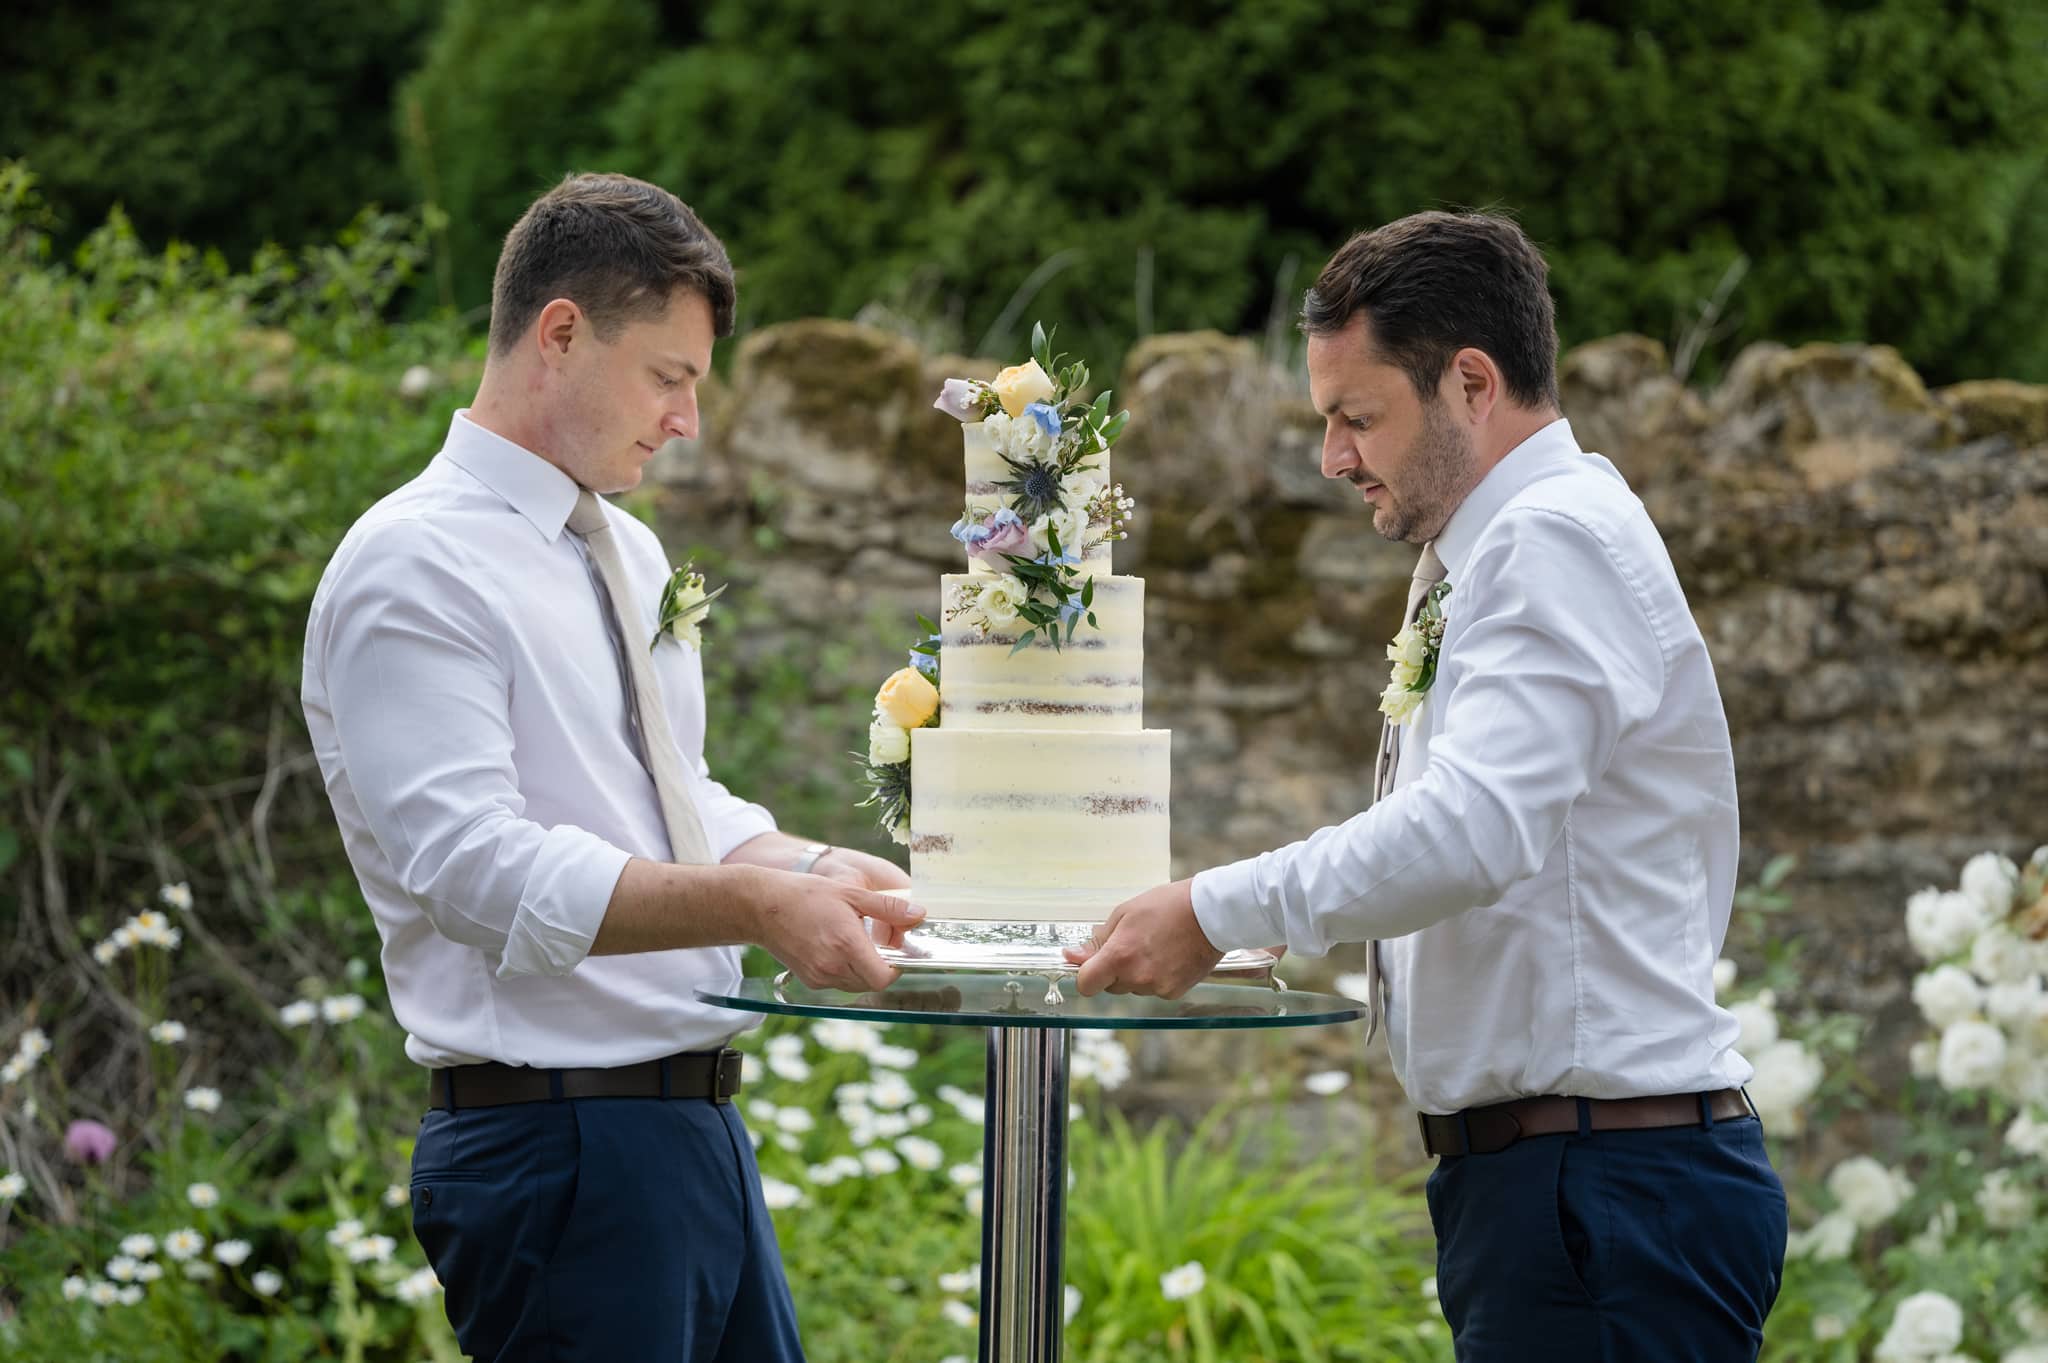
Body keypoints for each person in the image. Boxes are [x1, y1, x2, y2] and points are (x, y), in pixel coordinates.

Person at [1068, 211, 1786, 1360]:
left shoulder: (1548, 540)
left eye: (1359, 417)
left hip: (1602, 1193)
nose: (1333, 457)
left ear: (1469, 382)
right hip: (1565, 1185)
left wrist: (1212, 910)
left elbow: (1468, 831)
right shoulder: (1500, 544)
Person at [301, 172, 921, 1362]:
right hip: (556, 1149)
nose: (687, 419)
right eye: (668, 377)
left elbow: (662, 797)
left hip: (690, 1134)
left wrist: (803, 861)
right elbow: (473, 872)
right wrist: (753, 902)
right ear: (561, 333)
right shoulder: (412, 567)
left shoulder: (626, 547)